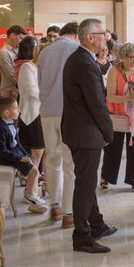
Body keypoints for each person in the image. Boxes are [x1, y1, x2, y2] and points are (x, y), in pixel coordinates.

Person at [62, 18, 116, 253]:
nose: (106, 37)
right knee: (85, 184)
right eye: (102, 33)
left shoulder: (81, 58)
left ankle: (96, 224)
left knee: (87, 180)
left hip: (80, 130)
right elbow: (97, 103)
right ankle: (82, 236)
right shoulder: (83, 62)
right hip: (86, 132)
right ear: (89, 38)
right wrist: (108, 131)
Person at [37, 21, 79, 228]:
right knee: (70, 163)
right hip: (68, 113)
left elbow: (40, 83)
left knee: (52, 160)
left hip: (46, 112)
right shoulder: (76, 49)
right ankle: (69, 213)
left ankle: (54, 204)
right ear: (76, 35)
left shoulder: (45, 52)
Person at [101, 43, 134, 193]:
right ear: (123, 57)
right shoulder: (114, 71)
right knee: (113, 148)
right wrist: (128, 97)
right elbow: (111, 97)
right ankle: (106, 177)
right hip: (117, 115)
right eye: (131, 57)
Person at [0, 97, 47, 214]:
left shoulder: (11, 122)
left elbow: (18, 144)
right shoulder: (0, 129)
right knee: (34, 171)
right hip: (4, 158)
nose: (19, 110)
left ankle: (31, 194)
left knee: (33, 164)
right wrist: (19, 158)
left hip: (13, 153)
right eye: (16, 108)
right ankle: (30, 196)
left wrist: (27, 155)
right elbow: (1, 151)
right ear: (7, 113)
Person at [16, 36, 45, 174]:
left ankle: (36, 177)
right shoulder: (27, 67)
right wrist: (49, 97)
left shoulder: (42, 69)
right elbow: (32, 90)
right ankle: (28, 179)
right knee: (36, 150)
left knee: (42, 151)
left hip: (43, 112)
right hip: (32, 114)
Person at [0, 24, 25, 99]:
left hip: (17, 90)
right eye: (20, 38)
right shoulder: (4, 52)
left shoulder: (17, 50)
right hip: (9, 91)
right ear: (12, 35)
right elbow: (10, 75)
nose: (21, 41)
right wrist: (26, 83)